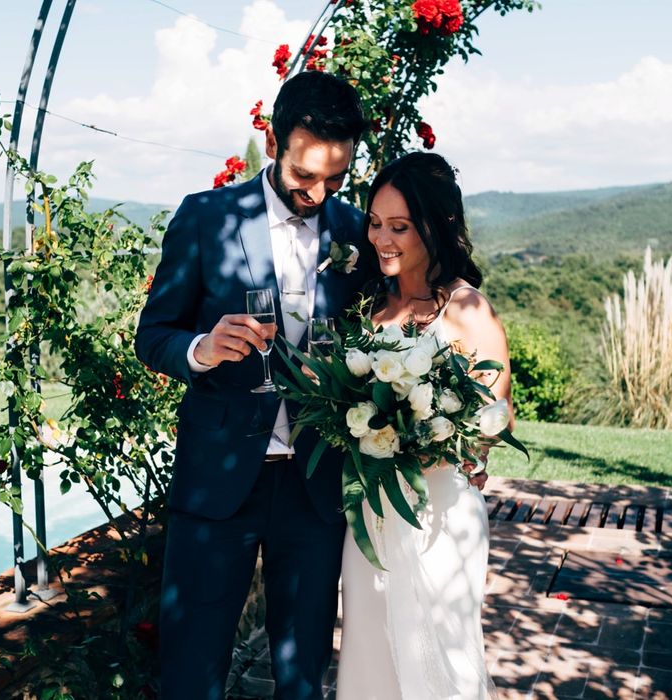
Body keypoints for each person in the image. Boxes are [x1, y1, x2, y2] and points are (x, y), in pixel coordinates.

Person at [135, 71, 368, 699]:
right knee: (192, 667)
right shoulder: (205, 218)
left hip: (313, 485)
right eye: (305, 177)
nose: (319, 193)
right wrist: (203, 349)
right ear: (271, 141)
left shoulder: (355, 232)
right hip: (217, 483)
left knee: (303, 670)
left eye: (336, 179)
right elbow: (153, 335)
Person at [336, 152, 509, 700]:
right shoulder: (367, 307)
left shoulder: (467, 311)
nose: (381, 238)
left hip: (440, 517)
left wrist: (425, 440)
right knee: (370, 653)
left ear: (436, 227)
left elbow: (495, 420)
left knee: (444, 661)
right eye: (375, 223)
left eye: (399, 227)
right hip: (372, 515)